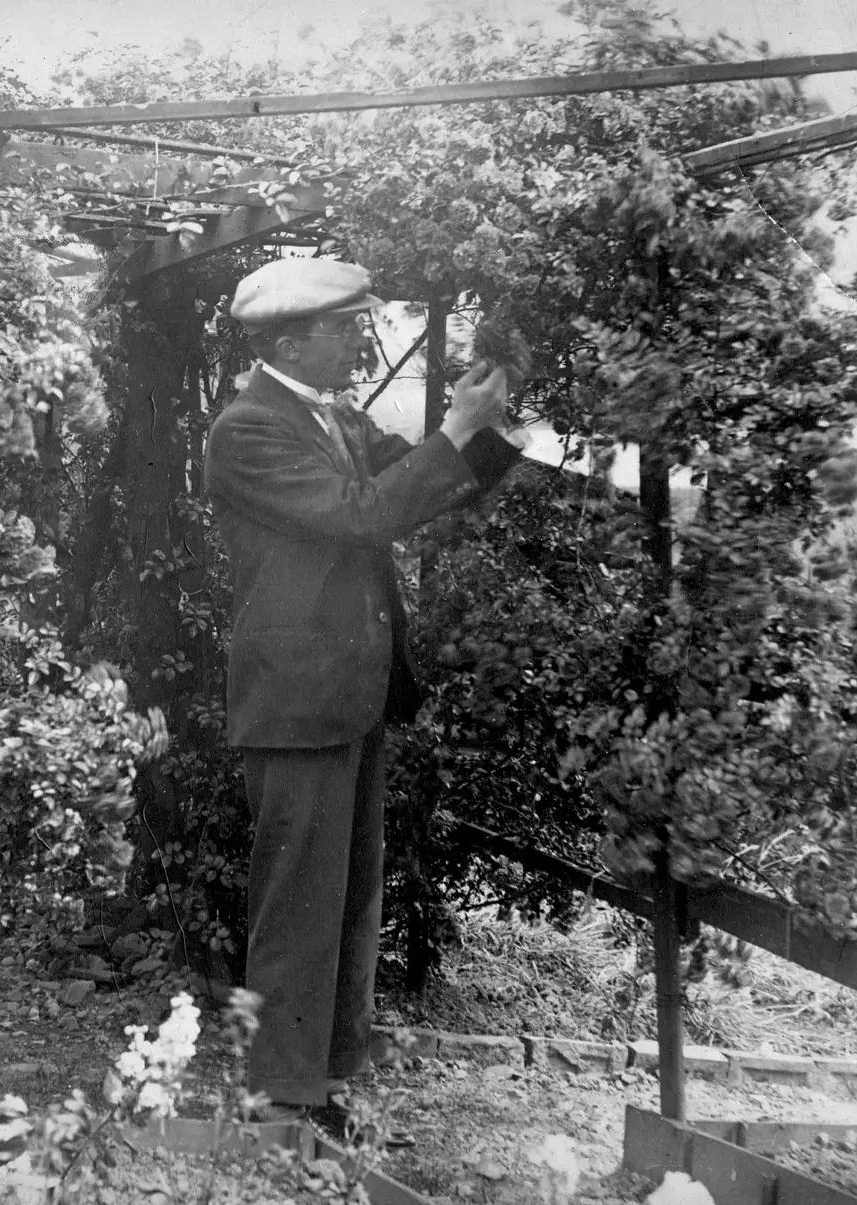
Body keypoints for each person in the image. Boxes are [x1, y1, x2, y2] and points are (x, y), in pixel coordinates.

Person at [203, 257, 524, 1128]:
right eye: (345, 326)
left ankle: (328, 1078)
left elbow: (428, 478)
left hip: (347, 689)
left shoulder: (330, 417)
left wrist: (489, 417)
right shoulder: (248, 429)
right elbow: (363, 513)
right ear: (290, 339)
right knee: (298, 902)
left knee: (347, 896)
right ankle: (281, 1096)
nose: (359, 339)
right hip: (296, 696)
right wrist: (456, 427)